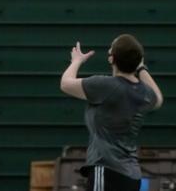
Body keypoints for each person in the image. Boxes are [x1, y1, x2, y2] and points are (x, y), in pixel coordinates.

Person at [60, 34, 164, 191]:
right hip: (132, 176)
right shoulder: (143, 93)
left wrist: (76, 61)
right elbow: (158, 98)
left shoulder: (106, 86)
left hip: (106, 171)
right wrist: (141, 68)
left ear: (112, 59)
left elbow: (65, 84)